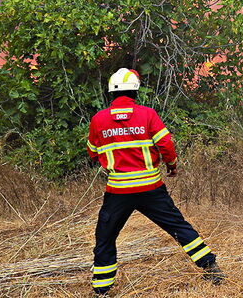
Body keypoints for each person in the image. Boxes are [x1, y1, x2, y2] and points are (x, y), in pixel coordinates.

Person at [86, 68, 223, 294]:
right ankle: (211, 269)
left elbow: (93, 152)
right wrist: (172, 165)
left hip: (118, 192)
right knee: (178, 227)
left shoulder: (98, 119)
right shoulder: (147, 114)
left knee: (105, 237)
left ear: (111, 92)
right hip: (151, 188)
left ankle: (102, 289)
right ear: (135, 91)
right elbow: (166, 144)